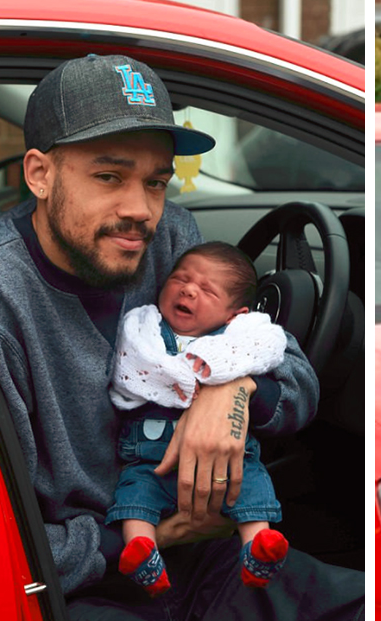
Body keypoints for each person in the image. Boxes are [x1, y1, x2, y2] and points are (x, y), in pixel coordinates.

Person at [0, 53, 363, 620]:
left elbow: (292, 377)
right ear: (39, 174)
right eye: (109, 176)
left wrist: (232, 390)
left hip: (212, 559)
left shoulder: (169, 238)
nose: (139, 210)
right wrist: (158, 533)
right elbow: (2, 548)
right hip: (89, 588)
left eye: (156, 182)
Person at [107, 241, 290, 596]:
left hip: (227, 462)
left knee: (251, 483)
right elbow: (127, 367)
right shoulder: (144, 328)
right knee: (134, 495)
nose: (189, 289)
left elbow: (273, 350)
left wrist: (231, 383)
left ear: (234, 315)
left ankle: (257, 546)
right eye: (180, 278)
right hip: (151, 459)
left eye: (207, 289)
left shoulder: (239, 339)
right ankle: (142, 552)